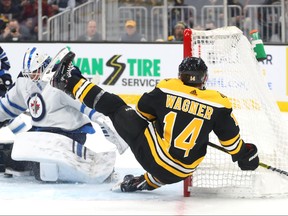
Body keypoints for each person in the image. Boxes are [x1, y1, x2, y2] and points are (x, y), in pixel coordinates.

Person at [50, 52, 260, 192]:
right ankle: (143, 183)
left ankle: (69, 81)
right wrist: (245, 154)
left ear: (180, 75)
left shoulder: (168, 87)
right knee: (177, 158)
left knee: (116, 107)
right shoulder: (219, 102)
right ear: (204, 78)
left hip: (156, 159)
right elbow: (232, 144)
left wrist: (162, 119)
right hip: (181, 173)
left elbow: (141, 113)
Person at [0, 47, 128, 183]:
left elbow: (84, 103)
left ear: (44, 65)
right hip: (39, 134)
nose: (32, 76)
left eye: (35, 72)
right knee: (12, 160)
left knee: (44, 171)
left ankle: (88, 166)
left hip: (70, 133)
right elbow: (7, 106)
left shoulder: (61, 80)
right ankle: (33, 164)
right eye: (29, 73)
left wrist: (101, 118)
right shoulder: (25, 82)